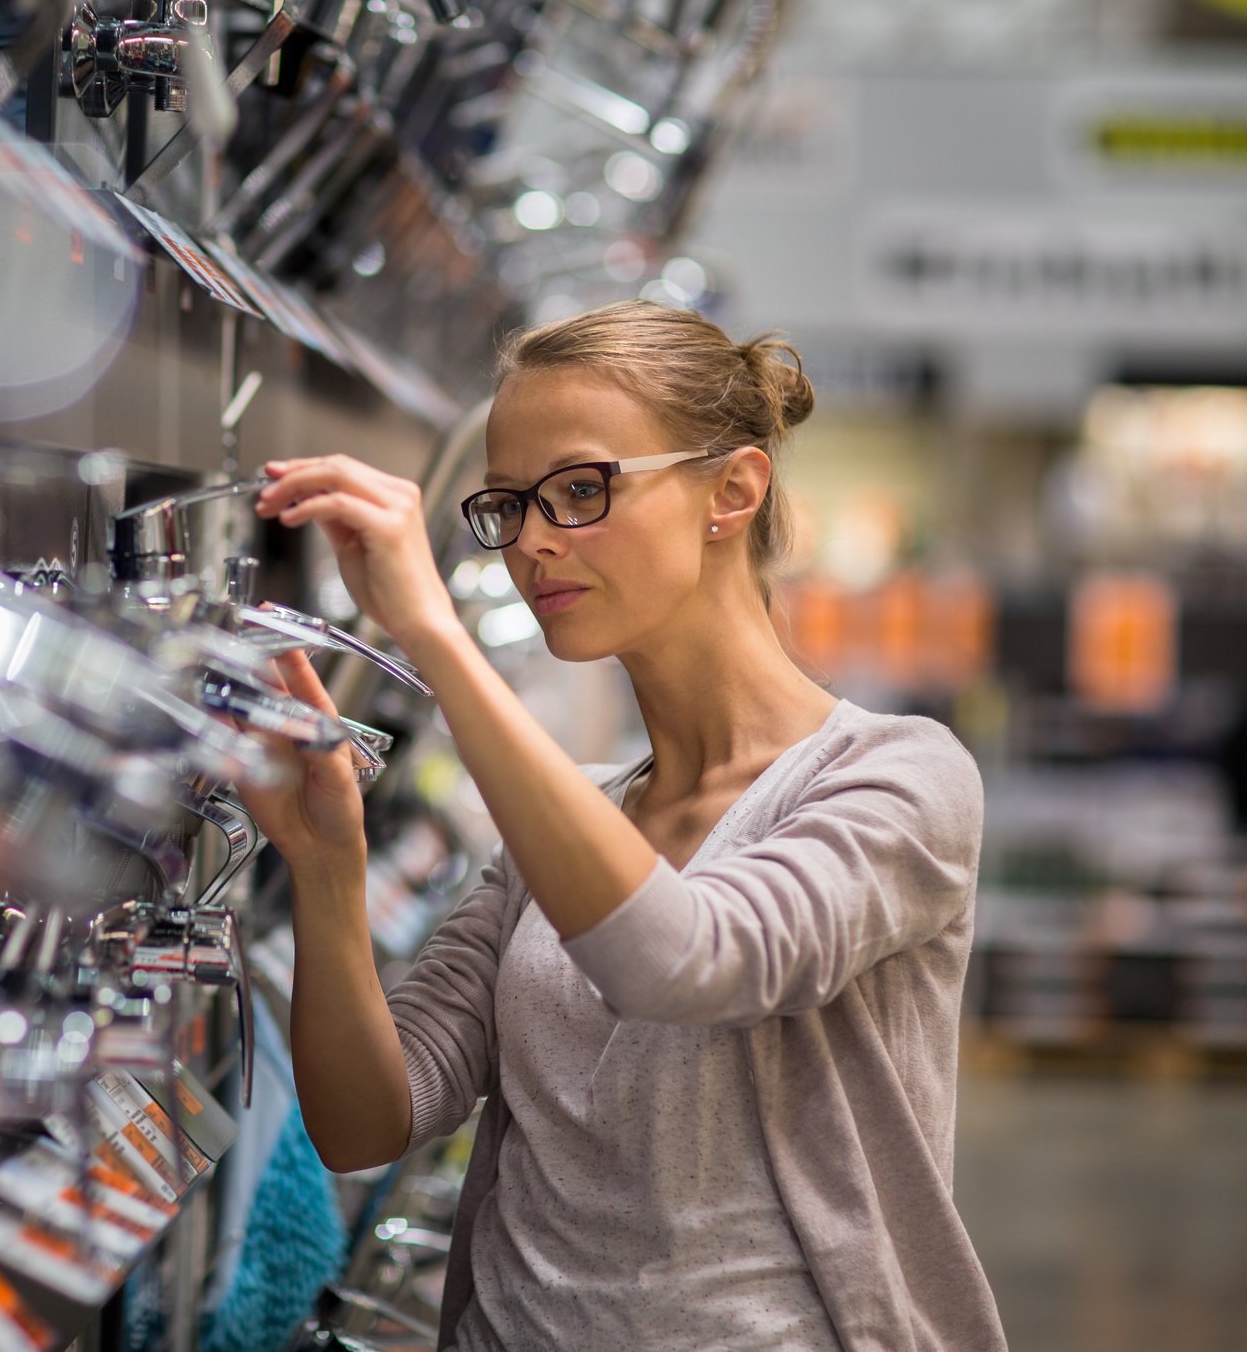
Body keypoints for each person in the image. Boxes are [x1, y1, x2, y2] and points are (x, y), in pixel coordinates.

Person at [238, 300, 1005, 1351]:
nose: (535, 544)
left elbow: (685, 958)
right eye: (510, 505)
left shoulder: (897, 779)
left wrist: (436, 635)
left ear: (731, 491)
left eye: (583, 490)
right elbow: (369, 1118)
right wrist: (328, 864)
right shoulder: (566, 832)